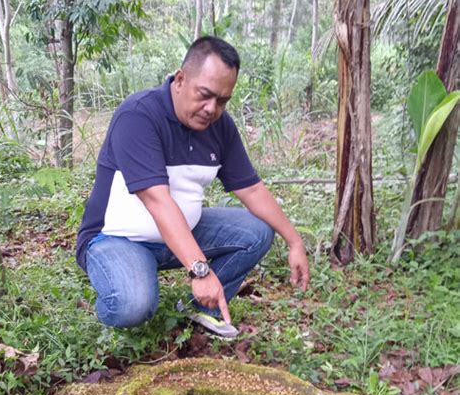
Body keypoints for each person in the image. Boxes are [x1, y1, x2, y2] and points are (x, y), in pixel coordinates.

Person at [76, 36, 309, 338]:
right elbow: (158, 202)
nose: (212, 108)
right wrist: (200, 270)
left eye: (223, 100)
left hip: (182, 233)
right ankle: (119, 289)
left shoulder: (220, 127)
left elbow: (251, 189)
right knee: (132, 304)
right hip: (117, 239)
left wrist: (294, 241)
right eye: (205, 94)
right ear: (180, 79)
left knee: (257, 230)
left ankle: (202, 309)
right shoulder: (138, 116)